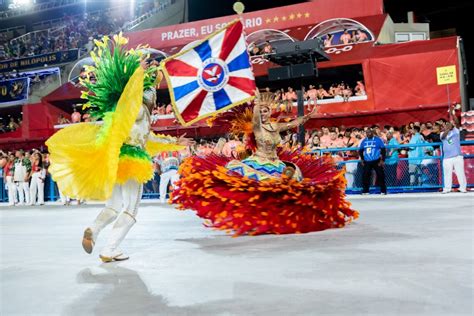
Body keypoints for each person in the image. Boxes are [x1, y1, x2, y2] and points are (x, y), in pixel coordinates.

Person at [46, 34, 194, 263]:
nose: (154, 93)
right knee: (131, 209)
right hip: (130, 161)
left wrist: (176, 143)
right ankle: (110, 249)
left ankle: (93, 230)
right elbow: (130, 100)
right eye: (151, 90)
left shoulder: (134, 115)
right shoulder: (133, 109)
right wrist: (138, 73)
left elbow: (149, 140)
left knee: (114, 205)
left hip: (116, 158)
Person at [172, 92, 358, 236]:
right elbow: (254, 118)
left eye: (265, 110)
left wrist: (308, 116)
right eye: (260, 110)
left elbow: (293, 123)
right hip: (258, 162)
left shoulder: (275, 126)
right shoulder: (257, 127)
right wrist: (257, 99)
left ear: (270, 112)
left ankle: (280, 218)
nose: (263, 112)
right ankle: (256, 219)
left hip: (276, 162)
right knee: (257, 186)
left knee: (292, 182)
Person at [441, 107, 467, 193]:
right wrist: (448, 128)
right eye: (446, 124)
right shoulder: (442, 133)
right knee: (447, 174)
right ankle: (447, 188)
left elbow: (457, 122)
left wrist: (452, 114)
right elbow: (444, 137)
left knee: (460, 173)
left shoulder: (456, 131)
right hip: (447, 158)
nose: (448, 125)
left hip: (457, 156)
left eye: (450, 124)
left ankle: (463, 188)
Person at [358, 128, 387, 195]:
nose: (368, 134)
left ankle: (383, 190)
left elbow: (383, 150)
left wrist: (382, 160)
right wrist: (362, 159)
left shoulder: (378, 140)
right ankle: (365, 191)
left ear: (372, 133)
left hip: (376, 160)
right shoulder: (364, 141)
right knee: (365, 176)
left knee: (380, 175)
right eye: (367, 133)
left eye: (370, 132)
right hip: (367, 161)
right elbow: (360, 150)